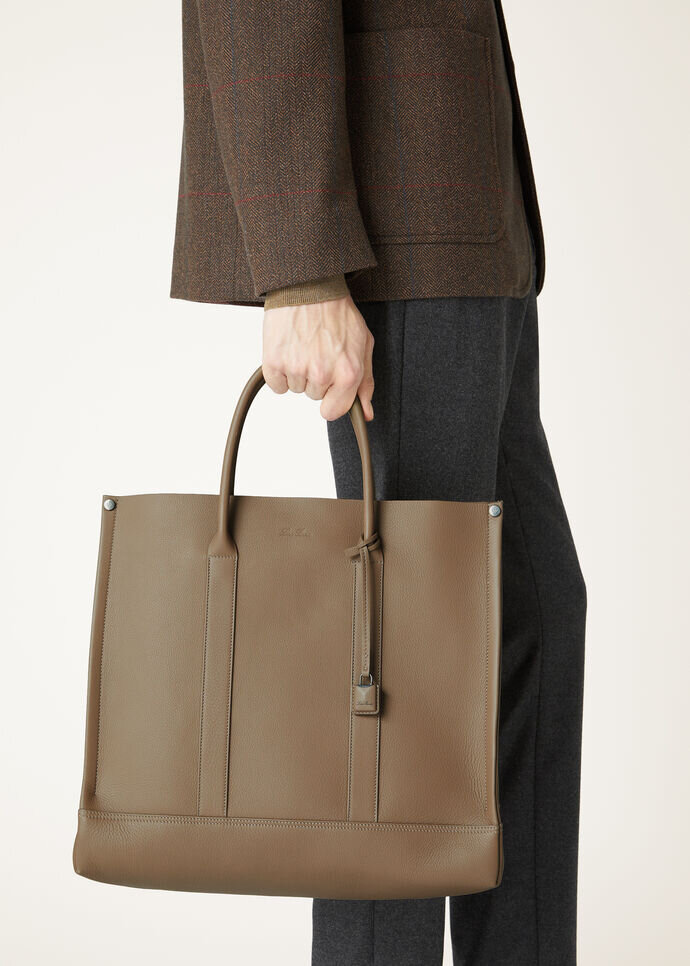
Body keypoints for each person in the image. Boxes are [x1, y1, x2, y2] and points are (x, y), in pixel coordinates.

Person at [170, 1, 587, 963]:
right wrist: (300, 268)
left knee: (529, 619)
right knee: (402, 658)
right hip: (396, 209)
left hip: (464, 209)